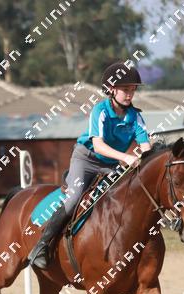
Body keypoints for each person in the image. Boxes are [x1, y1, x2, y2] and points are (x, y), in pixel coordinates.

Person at [27, 62, 152, 269]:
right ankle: (41, 246)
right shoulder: (100, 110)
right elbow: (99, 145)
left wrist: (148, 157)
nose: (130, 94)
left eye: (133, 90)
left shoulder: (136, 116)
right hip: (86, 160)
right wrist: (127, 157)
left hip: (111, 164)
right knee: (74, 198)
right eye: (125, 90)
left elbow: (145, 146)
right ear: (111, 89)